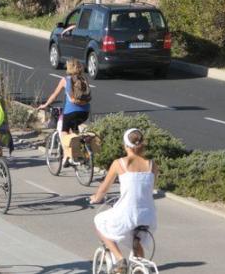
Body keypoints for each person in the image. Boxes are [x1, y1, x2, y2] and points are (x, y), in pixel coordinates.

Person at [90, 128, 158, 274]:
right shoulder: (152, 164)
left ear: (125, 145)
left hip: (127, 213)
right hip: (148, 215)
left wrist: (96, 198)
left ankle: (120, 260)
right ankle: (139, 267)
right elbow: (148, 187)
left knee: (99, 221)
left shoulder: (119, 163)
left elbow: (104, 189)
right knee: (137, 239)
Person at [38, 59, 91, 166]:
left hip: (71, 112)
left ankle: (69, 156)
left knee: (64, 132)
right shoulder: (84, 79)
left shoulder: (65, 80)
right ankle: (81, 151)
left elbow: (54, 95)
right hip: (85, 112)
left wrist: (45, 105)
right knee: (73, 132)